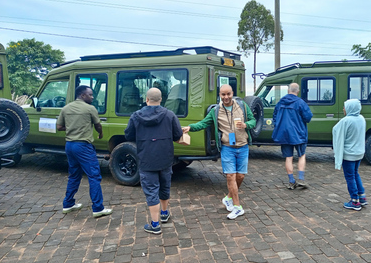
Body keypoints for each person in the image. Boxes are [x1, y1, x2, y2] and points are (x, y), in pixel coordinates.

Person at [182, 84, 256, 220]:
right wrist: (190, 127)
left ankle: (228, 198)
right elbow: (203, 123)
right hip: (227, 147)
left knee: (240, 177)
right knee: (230, 176)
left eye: (228, 94)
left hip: (243, 146)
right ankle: (237, 207)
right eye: (223, 95)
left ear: (232, 93)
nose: (226, 97)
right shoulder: (215, 111)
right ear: (220, 95)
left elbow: (253, 120)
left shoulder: (243, 106)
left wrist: (246, 125)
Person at [124, 87, 183, 234]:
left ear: (147, 99)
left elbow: (128, 135)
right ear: (161, 99)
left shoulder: (136, 116)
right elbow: (177, 135)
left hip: (146, 159)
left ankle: (155, 224)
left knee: (151, 191)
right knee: (164, 186)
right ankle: (164, 213)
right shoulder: (169, 115)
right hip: (165, 158)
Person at [57, 85, 112, 218]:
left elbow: (59, 127)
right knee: (94, 176)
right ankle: (98, 208)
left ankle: (68, 204)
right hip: (83, 146)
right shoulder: (89, 109)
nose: (92, 97)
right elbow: (98, 124)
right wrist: (100, 133)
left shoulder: (66, 108)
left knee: (74, 175)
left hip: (69, 145)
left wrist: (71, 128)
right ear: (83, 95)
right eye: (90, 95)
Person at [272, 83, 313, 190]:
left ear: (288, 90)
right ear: (297, 91)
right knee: (302, 155)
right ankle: (301, 178)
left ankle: (291, 181)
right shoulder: (301, 103)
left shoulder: (280, 102)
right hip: (299, 134)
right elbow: (308, 117)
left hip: (284, 134)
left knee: (288, 157)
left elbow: (275, 117)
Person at [332, 99, 368, 211]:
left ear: (350, 108)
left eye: (345, 107)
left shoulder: (346, 121)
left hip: (349, 154)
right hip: (359, 153)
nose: (343, 109)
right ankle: (362, 197)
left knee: (350, 176)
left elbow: (335, 130)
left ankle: (354, 201)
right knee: (355, 174)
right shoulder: (361, 118)